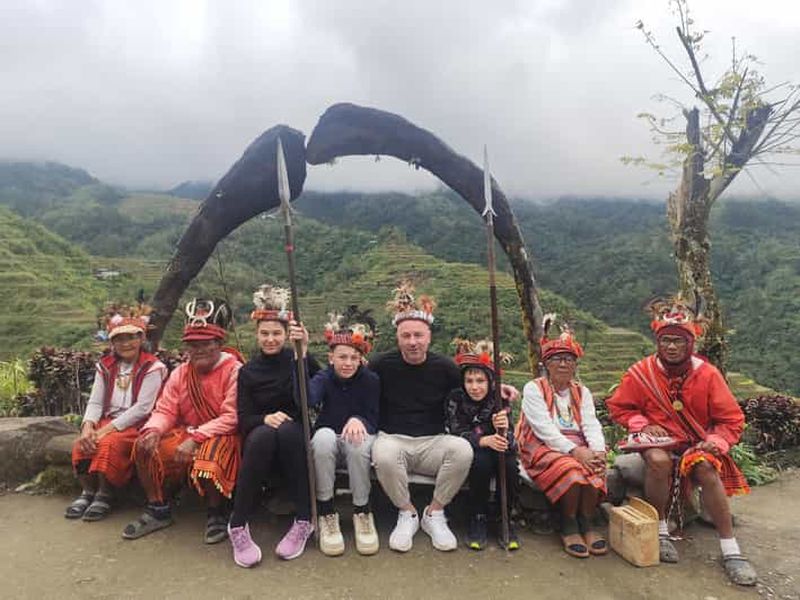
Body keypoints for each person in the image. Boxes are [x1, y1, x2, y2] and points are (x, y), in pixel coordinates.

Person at [607, 296, 756, 586]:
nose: (671, 346)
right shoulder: (641, 373)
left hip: (696, 444)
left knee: (705, 468)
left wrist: (716, 440)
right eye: (666, 341)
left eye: (678, 341)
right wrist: (644, 425)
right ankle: (661, 531)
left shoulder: (708, 375)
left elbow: (731, 419)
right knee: (658, 460)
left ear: (690, 344)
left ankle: (730, 549)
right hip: (658, 443)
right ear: (658, 343)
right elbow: (620, 407)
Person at [370, 282, 517, 552]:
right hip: (393, 437)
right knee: (383, 455)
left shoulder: (446, 367)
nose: (412, 342)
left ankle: (435, 512)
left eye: (418, 335)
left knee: (462, 450)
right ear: (397, 338)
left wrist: (499, 389)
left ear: (429, 337)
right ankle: (407, 512)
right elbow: (353, 379)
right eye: (406, 336)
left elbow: (473, 388)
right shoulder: (381, 364)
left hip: (434, 440)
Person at [122, 299, 241, 545]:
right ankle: (158, 507)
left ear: (219, 343)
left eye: (205, 343)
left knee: (211, 457)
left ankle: (216, 511)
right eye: (192, 345)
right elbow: (166, 409)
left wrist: (197, 438)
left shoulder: (234, 370)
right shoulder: (180, 373)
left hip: (222, 433)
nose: (198, 350)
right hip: (188, 432)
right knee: (145, 446)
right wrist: (154, 429)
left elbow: (232, 417)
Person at [227, 285, 321, 568]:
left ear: (286, 335)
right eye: (265, 333)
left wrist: (302, 354)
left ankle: (304, 519)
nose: (270, 339)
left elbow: (315, 392)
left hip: (295, 428)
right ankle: (238, 523)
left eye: (277, 333)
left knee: (291, 433)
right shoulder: (248, 371)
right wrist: (264, 418)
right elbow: (244, 417)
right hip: (261, 431)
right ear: (256, 335)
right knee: (263, 437)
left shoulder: (300, 359)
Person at [515, 315, 607, 558]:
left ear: (576, 365)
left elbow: (590, 423)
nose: (563, 364)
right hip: (541, 445)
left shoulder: (582, 391)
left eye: (568, 359)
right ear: (546, 364)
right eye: (557, 359)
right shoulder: (534, 388)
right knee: (572, 470)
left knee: (594, 468)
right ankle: (568, 524)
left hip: (578, 444)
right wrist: (576, 451)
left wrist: (597, 451)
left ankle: (586, 521)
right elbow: (543, 429)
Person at [66, 304, 167, 521]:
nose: (126, 343)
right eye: (119, 339)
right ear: (112, 342)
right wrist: (88, 427)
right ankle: (88, 491)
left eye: (131, 337)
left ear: (141, 339)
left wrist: (105, 431)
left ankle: (105, 493)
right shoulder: (105, 366)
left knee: (108, 444)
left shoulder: (154, 367)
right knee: (81, 444)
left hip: (137, 425)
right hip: (107, 421)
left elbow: (143, 408)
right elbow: (95, 401)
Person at [310, 306, 381, 556]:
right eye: (342, 357)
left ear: (361, 358)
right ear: (331, 358)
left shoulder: (370, 380)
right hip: (329, 440)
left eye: (353, 357)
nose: (348, 363)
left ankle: (362, 510)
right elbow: (307, 399)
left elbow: (374, 417)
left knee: (357, 440)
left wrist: (358, 419)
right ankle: (326, 511)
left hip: (357, 439)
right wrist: (300, 357)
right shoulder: (324, 377)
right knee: (323, 438)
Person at [445, 339, 520, 551]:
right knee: (481, 463)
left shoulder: (499, 400)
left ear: (490, 382)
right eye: (469, 381)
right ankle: (477, 515)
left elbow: (511, 439)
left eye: (480, 381)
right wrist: (482, 440)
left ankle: (503, 515)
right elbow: (455, 430)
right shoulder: (456, 399)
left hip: (497, 448)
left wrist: (503, 431)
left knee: (509, 464)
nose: (475, 387)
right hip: (472, 450)